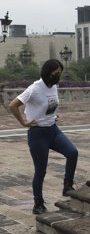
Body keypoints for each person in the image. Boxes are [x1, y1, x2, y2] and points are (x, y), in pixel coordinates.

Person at [8, 59, 79, 214]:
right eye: (56, 74)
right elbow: (13, 105)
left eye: (60, 73)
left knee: (72, 153)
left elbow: (48, 105)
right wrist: (23, 122)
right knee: (41, 170)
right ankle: (38, 204)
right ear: (47, 73)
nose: (58, 77)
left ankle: (67, 186)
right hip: (38, 134)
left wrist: (53, 114)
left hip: (53, 130)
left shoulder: (54, 86)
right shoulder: (34, 88)